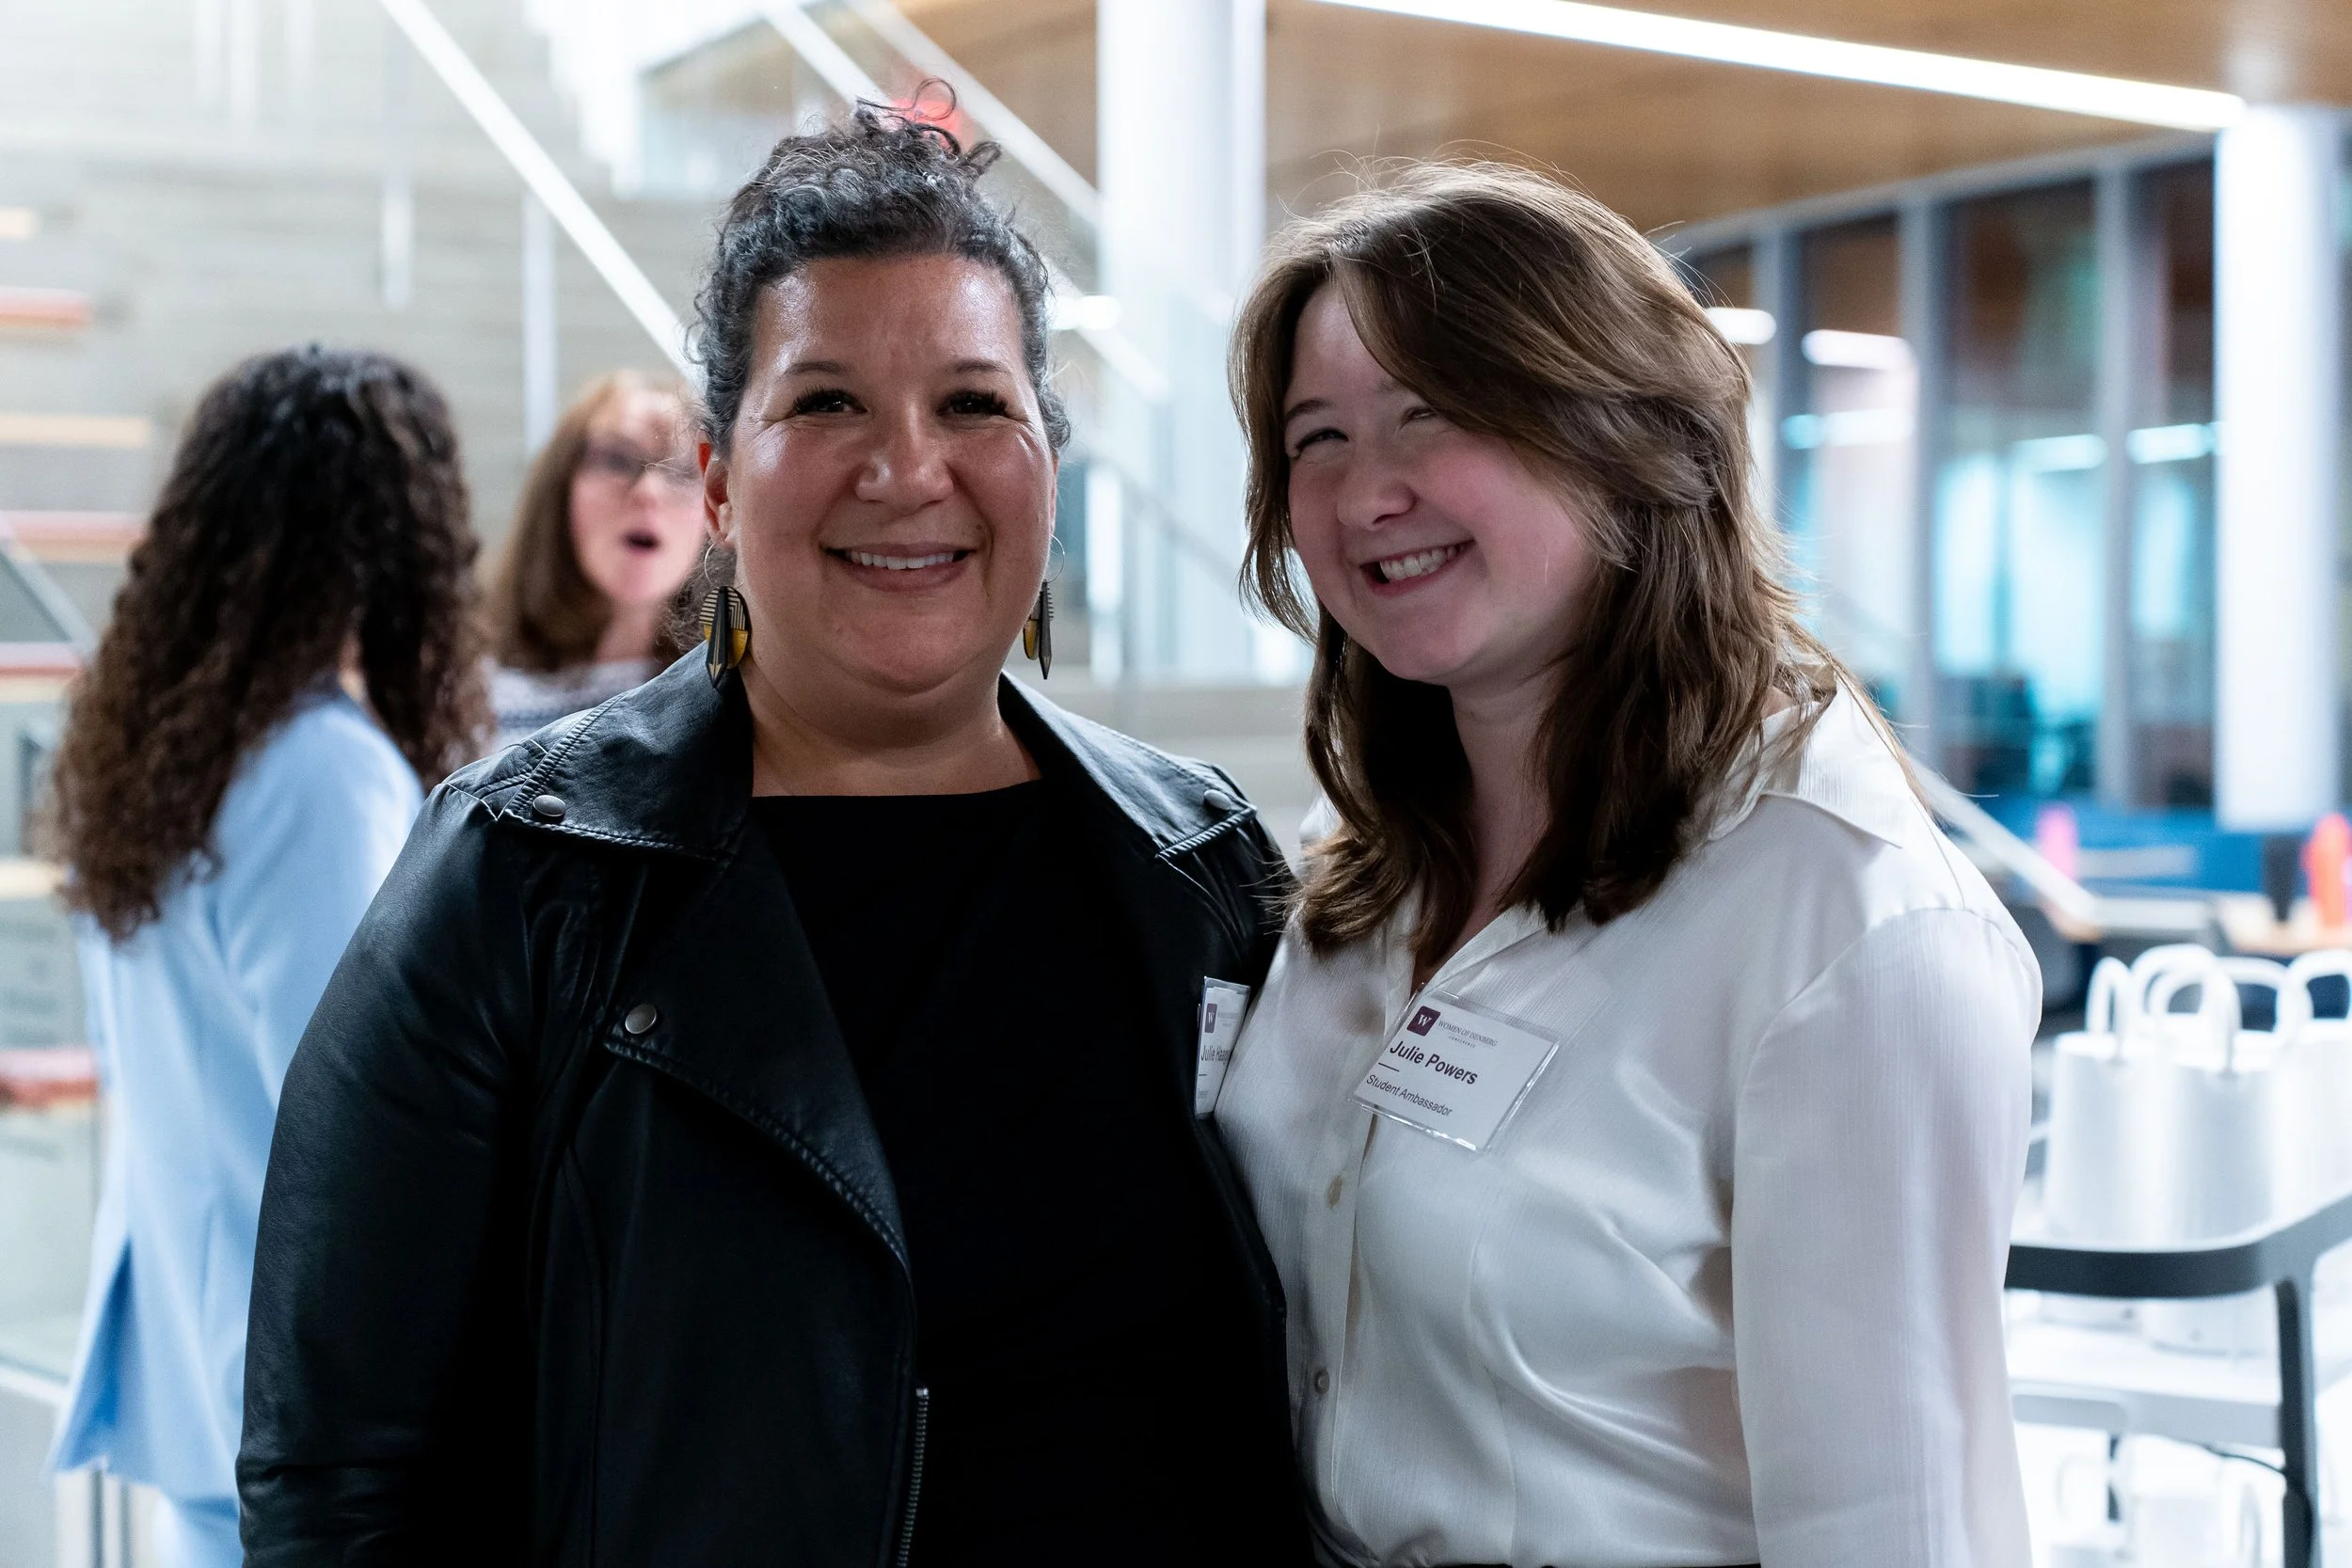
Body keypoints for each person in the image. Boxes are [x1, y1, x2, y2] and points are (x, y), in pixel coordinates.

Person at [237, 105, 1310, 1567]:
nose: (907, 468)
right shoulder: (524, 871)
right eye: (827, 402)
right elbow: (336, 1475)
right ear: (719, 482)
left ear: (1048, 462)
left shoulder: (1199, 865)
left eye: (974, 403)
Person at [1214, 163, 2040, 1567]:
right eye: (1319, 438)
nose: (1367, 493)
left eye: (1433, 411)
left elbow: (1894, 1526)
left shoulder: (1847, 922)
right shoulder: (1362, 857)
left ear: (1625, 432)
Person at [43, 346, 488, 1568]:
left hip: (208, 1398)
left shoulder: (159, 761)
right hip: (304, 1424)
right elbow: (373, 1124)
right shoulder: (320, 773)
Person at [482, 370, 704, 750]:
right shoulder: (469, 694)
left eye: (683, 471)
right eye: (617, 460)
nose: (648, 491)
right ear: (559, 489)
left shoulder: (738, 696)